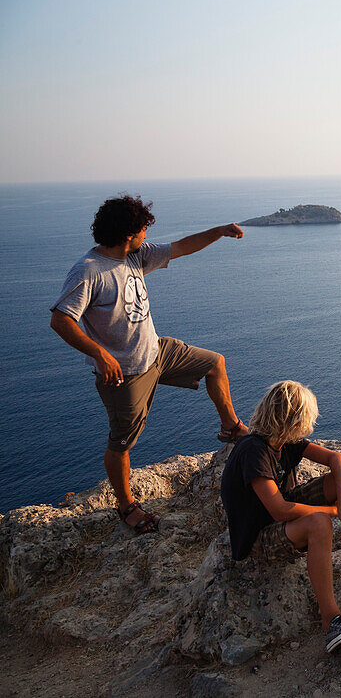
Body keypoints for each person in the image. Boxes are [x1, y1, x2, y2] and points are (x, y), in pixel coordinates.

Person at [50, 195, 250, 535]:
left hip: (156, 352)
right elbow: (61, 320)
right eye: (144, 229)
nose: (147, 235)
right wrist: (100, 354)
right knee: (122, 442)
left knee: (215, 363)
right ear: (129, 233)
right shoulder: (88, 271)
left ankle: (230, 427)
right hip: (125, 374)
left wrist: (218, 231)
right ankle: (126, 505)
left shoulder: (135, 256)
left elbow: (181, 247)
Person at [220, 381, 341, 653]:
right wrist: (334, 511)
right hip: (258, 536)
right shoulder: (254, 451)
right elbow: (279, 511)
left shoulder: (283, 440)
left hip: (284, 513)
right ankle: (330, 620)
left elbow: (336, 458)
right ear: (293, 419)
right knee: (319, 523)